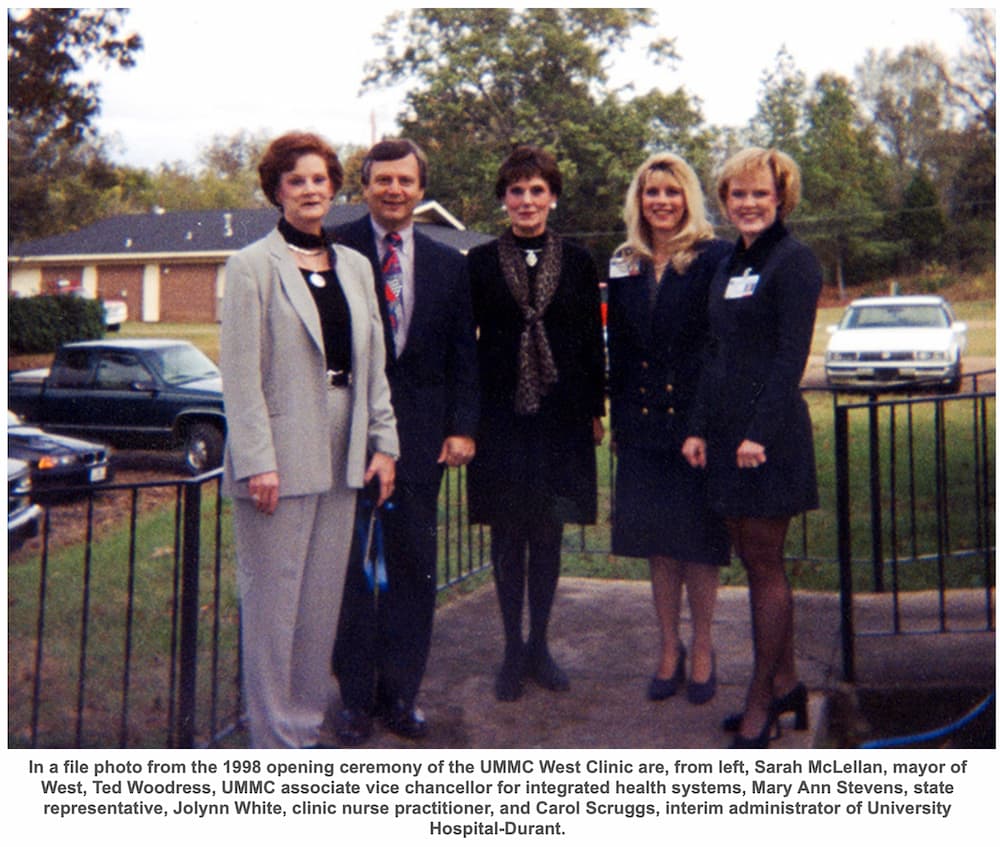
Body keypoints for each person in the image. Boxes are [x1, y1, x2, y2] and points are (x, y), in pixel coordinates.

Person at [220, 131, 398, 749]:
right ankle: (273, 743)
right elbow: (240, 378)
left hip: (344, 447)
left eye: (319, 178)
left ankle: (303, 729)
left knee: (319, 608)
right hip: (278, 455)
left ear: (334, 186)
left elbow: (373, 366)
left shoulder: (354, 266)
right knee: (275, 607)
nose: (310, 190)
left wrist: (385, 444)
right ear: (276, 191)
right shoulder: (250, 268)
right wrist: (257, 462)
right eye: (296, 180)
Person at [332, 139, 479, 744]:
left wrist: (463, 426)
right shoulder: (334, 248)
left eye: (406, 181)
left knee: (413, 569)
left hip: (421, 441)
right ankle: (354, 699)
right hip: (347, 434)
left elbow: (463, 355)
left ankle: (401, 696)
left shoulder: (450, 263)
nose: (394, 190)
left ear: (421, 189)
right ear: (364, 186)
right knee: (351, 572)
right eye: (382, 179)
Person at [682, 147, 821, 748]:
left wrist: (756, 434)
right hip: (724, 432)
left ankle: (761, 698)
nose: (748, 203)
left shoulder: (795, 262)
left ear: (781, 197)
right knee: (753, 558)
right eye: (737, 194)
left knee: (765, 562)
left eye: (760, 193)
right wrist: (696, 426)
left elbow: (790, 358)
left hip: (767, 437)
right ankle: (787, 682)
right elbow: (715, 353)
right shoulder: (728, 263)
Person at [467, 144, 606, 702]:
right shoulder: (478, 263)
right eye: (517, 191)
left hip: (561, 416)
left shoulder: (577, 261)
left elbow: (591, 346)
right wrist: (466, 420)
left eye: (537, 190)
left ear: (553, 197)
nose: (527, 201)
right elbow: (464, 347)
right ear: (504, 198)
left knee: (547, 532)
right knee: (508, 531)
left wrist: (595, 408)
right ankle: (510, 649)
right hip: (501, 418)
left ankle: (541, 646)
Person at [606, 152, 731, 705]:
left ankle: (703, 648)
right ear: (639, 200)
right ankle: (667, 647)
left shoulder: (714, 258)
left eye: (672, 192)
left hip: (695, 425)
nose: (661, 201)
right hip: (641, 424)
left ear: (688, 199)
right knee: (659, 546)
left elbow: (717, 347)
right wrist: (617, 416)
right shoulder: (623, 262)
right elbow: (623, 350)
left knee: (699, 545)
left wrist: (702, 424)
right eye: (651, 192)